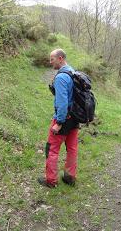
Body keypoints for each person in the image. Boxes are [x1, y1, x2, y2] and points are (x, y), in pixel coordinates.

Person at [38, 49, 79, 188]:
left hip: (63, 118)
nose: (50, 62)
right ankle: (70, 177)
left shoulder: (61, 77)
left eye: (52, 59)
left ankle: (51, 181)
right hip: (75, 118)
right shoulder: (72, 71)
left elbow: (62, 103)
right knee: (72, 148)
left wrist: (59, 123)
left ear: (60, 58)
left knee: (52, 149)